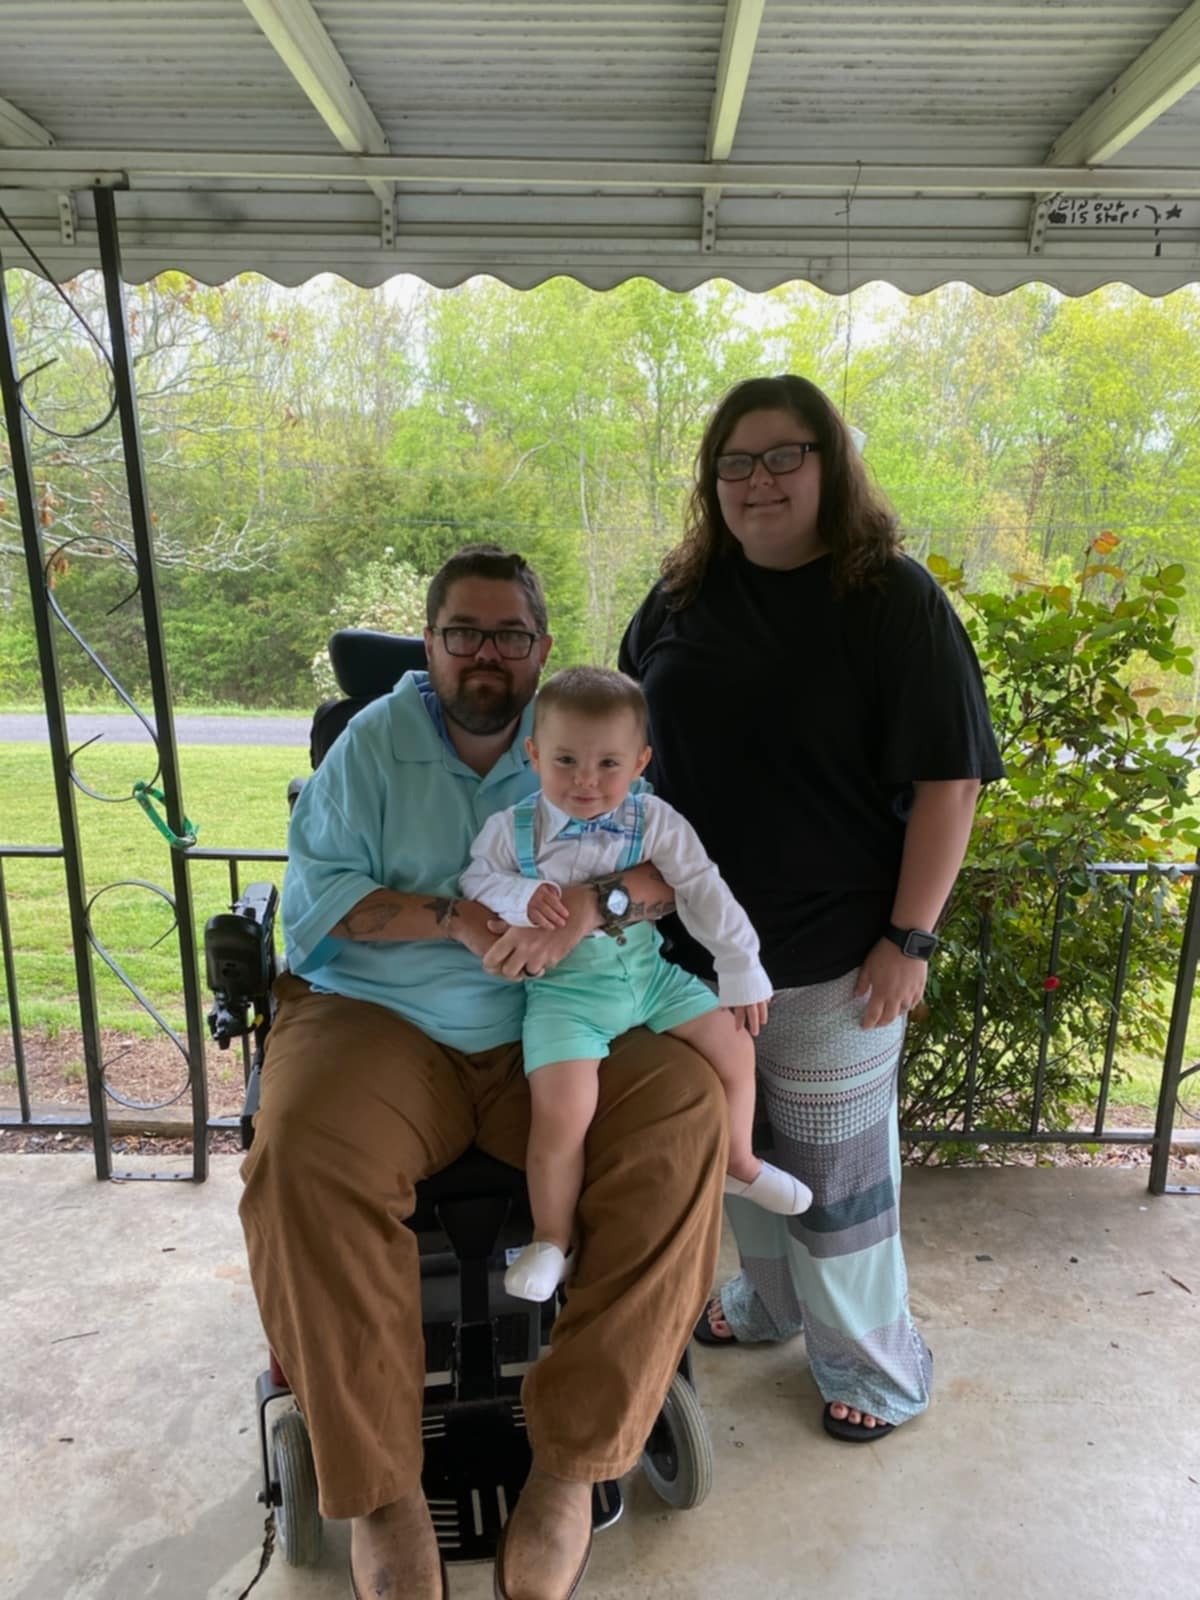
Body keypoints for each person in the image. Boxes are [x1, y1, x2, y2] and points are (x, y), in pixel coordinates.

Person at [239, 544, 729, 1600]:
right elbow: (322, 905)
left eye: (510, 634)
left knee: (684, 1115)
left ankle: (572, 1465)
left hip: (559, 1015)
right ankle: (382, 1493)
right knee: (301, 1154)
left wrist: (594, 906)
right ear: (430, 644)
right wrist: (458, 919)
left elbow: (665, 871)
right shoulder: (370, 749)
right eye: (464, 632)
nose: (486, 654)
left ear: (541, 649)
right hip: (380, 1014)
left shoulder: (581, 743)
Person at [619, 375, 1004, 1443]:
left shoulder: (892, 600)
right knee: (737, 1149)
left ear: (832, 464)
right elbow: (629, 753)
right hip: (690, 957)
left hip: (838, 956)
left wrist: (908, 939)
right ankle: (772, 1300)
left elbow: (951, 784)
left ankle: (876, 1368)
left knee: (837, 1178)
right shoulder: (679, 595)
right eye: (735, 462)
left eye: (785, 454)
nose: (759, 480)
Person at [461, 665, 812, 1303]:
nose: (586, 781)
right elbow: (475, 879)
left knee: (736, 1046)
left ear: (640, 761)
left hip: (651, 977)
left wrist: (739, 964)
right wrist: (518, 895)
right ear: (534, 753)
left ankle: (739, 1161)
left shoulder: (654, 819)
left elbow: (700, 884)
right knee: (562, 1114)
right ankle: (551, 1238)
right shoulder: (512, 829)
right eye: (565, 760)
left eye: (608, 764)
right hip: (565, 997)